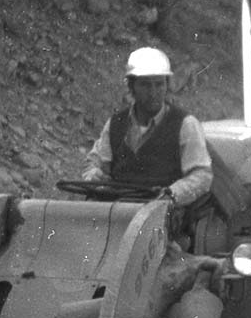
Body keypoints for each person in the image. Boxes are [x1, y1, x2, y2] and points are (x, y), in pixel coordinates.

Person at [81, 47, 213, 209]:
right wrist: (94, 175)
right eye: (145, 85)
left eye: (159, 84)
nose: (153, 93)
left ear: (167, 85)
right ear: (132, 86)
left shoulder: (185, 124)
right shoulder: (116, 123)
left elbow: (201, 175)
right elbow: (94, 163)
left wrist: (171, 195)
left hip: (166, 213)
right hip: (119, 210)